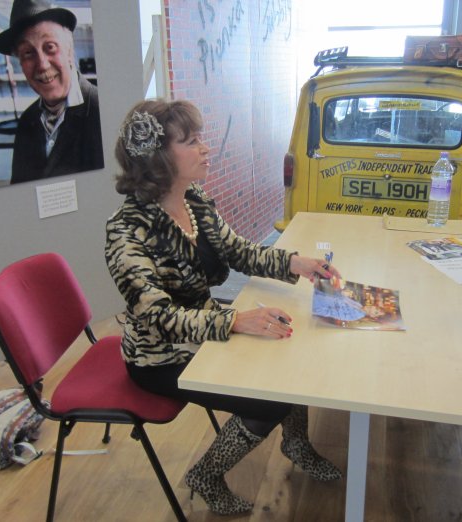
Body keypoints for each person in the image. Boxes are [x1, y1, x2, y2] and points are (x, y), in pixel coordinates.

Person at [105, 99, 343, 515]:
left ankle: (297, 443)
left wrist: (296, 262)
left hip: (203, 329)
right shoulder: (125, 231)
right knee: (269, 399)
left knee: (285, 347)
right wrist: (235, 320)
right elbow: (158, 319)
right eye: (192, 141)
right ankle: (206, 474)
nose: (206, 148)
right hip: (159, 357)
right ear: (159, 157)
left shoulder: (193, 198)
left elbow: (237, 251)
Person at [0, 0, 104, 184]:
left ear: (69, 50)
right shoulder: (28, 120)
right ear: (20, 63)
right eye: (28, 52)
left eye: (50, 47)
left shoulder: (101, 110)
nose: (42, 65)